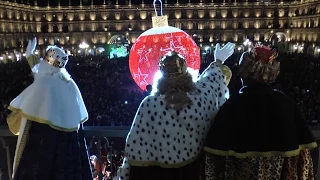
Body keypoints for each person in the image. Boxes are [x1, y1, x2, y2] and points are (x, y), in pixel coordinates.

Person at [119, 42, 235, 180]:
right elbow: (211, 83)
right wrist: (218, 61)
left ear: (161, 77)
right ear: (186, 74)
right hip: (193, 173)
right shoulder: (200, 99)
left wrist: (124, 176)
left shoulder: (149, 105)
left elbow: (133, 150)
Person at [201, 45, 317, 180]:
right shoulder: (287, 104)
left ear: (244, 73)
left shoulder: (232, 106)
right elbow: (303, 165)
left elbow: (213, 165)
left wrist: (218, 62)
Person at [6, 38, 92, 180]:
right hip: (69, 151)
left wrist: (29, 54)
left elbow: (18, 115)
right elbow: (41, 73)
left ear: (46, 63)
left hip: (44, 150)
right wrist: (29, 56)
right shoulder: (69, 83)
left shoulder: (43, 83)